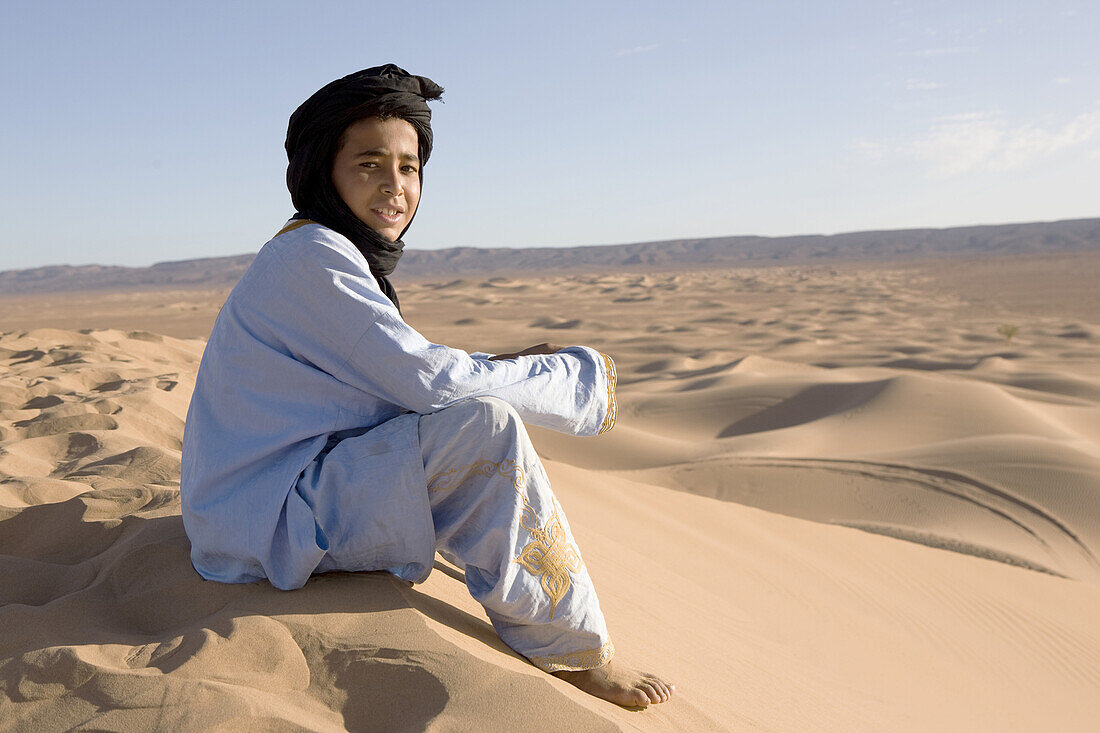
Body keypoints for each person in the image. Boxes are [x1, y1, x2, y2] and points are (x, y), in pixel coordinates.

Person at [180, 64, 673, 708]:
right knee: (486, 427)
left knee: (469, 412)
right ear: (322, 171)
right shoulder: (314, 258)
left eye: (410, 167)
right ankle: (569, 649)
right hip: (261, 525)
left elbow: (392, 374)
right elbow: (427, 381)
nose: (395, 187)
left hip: (258, 503)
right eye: (368, 164)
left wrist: (500, 361)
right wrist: (562, 377)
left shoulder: (322, 251)